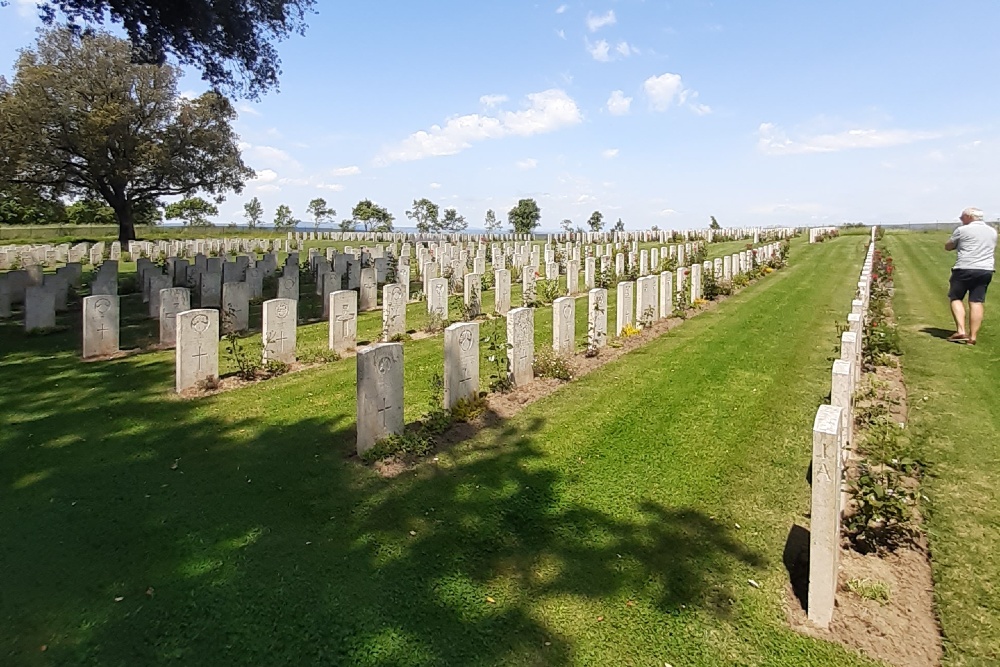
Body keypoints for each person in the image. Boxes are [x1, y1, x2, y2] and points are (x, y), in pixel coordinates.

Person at [945, 207, 998, 344]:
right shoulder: (992, 231)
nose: (961, 219)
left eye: (962, 217)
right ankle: (972, 337)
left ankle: (961, 330)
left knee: (955, 297)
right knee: (976, 301)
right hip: (985, 269)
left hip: (964, 268)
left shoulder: (962, 230)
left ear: (969, 217)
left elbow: (949, 246)